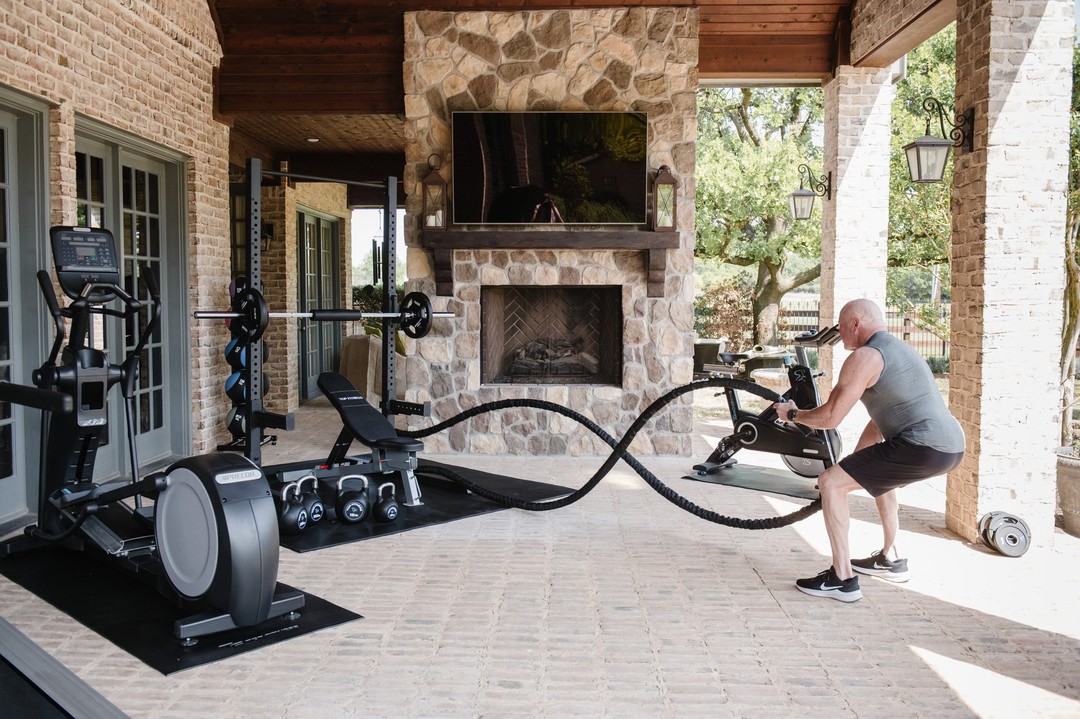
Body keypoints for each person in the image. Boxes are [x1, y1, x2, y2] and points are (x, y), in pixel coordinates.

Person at [772, 299, 965, 602]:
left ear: (855, 323)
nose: (839, 333)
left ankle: (842, 579)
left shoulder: (865, 356)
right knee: (877, 478)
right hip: (951, 447)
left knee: (830, 483)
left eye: (840, 325)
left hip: (923, 444)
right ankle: (892, 558)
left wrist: (792, 415)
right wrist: (855, 463)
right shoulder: (899, 351)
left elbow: (831, 417)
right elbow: (880, 423)